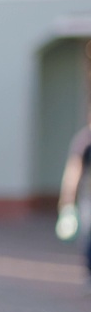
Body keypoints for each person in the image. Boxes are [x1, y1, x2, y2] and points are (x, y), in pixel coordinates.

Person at [56, 101, 91, 287]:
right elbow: (73, 170)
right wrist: (67, 198)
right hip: (88, 197)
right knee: (88, 236)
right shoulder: (84, 141)